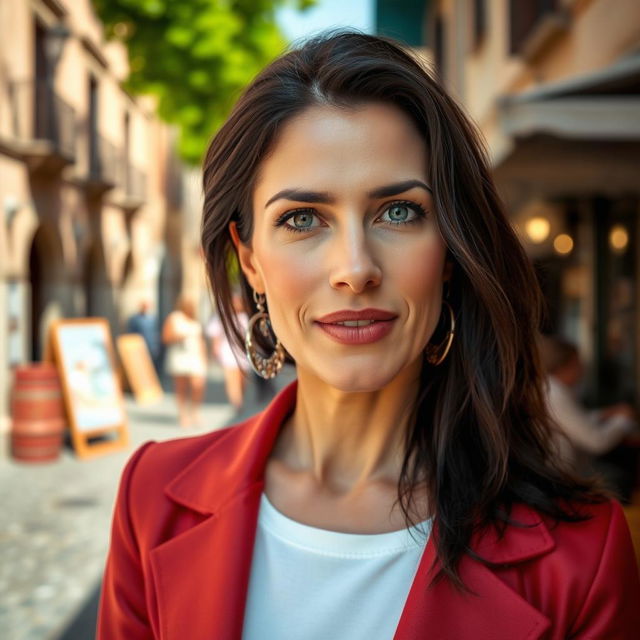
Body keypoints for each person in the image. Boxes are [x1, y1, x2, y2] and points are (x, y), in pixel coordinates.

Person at [98, 32, 640, 639]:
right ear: (248, 259)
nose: (355, 268)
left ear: (453, 251)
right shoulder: (152, 500)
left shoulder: (581, 553)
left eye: (399, 212)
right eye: (302, 219)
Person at [538, 334, 638, 477]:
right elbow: (597, 441)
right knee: (618, 474)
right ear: (564, 366)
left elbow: (574, 421)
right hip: (561, 477)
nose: (582, 368)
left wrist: (606, 414)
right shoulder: (554, 393)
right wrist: (623, 419)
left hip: (562, 472)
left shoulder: (551, 388)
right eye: (578, 362)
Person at [161, 296, 207, 428]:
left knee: (197, 385)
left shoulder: (195, 320)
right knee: (181, 387)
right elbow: (165, 337)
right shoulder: (174, 318)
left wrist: (203, 357)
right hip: (179, 356)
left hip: (194, 357)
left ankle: (195, 410)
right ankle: (183, 414)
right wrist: (179, 336)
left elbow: (200, 341)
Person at [206, 293, 250, 411]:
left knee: (242, 378)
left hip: (243, 352)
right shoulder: (223, 317)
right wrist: (215, 348)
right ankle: (237, 403)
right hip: (228, 350)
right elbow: (216, 333)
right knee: (231, 377)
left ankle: (239, 396)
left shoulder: (246, 317)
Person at [126, 299, 161, 374]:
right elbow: (131, 333)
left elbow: (156, 332)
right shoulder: (134, 319)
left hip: (151, 346)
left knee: (152, 368)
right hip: (139, 346)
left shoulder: (153, 318)